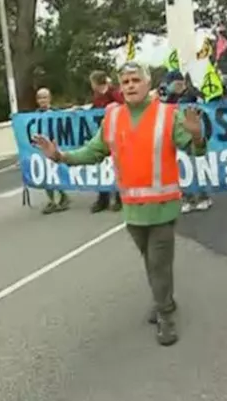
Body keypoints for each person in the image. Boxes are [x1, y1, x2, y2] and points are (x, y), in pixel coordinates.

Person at [32, 63, 207, 346]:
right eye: (125, 81)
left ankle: (165, 314)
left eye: (136, 80)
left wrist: (197, 135)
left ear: (148, 84)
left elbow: (195, 149)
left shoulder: (167, 115)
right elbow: (92, 151)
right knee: (151, 263)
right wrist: (60, 156)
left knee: (159, 264)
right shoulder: (112, 118)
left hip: (163, 207)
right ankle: (165, 300)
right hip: (133, 209)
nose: (130, 85)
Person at [161, 70, 211, 213]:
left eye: (174, 83)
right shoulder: (170, 98)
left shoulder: (194, 94)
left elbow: (206, 110)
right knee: (182, 170)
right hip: (179, 138)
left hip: (196, 136)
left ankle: (203, 196)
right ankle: (186, 197)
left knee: (199, 167)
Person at [86, 70, 123, 213]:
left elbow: (122, 105)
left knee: (118, 166)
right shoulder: (97, 96)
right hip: (102, 134)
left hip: (117, 134)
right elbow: (95, 110)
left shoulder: (113, 93)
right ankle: (103, 198)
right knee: (101, 166)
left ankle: (120, 198)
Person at [34, 87, 69, 214]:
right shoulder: (34, 115)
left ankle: (63, 196)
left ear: (49, 98)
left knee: (57, 173)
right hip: (42, 148)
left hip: (55, 147)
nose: (42, 100)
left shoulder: (56, 112)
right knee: (45, 174)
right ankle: (52, 201)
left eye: (45, 97)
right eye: (40, 98)